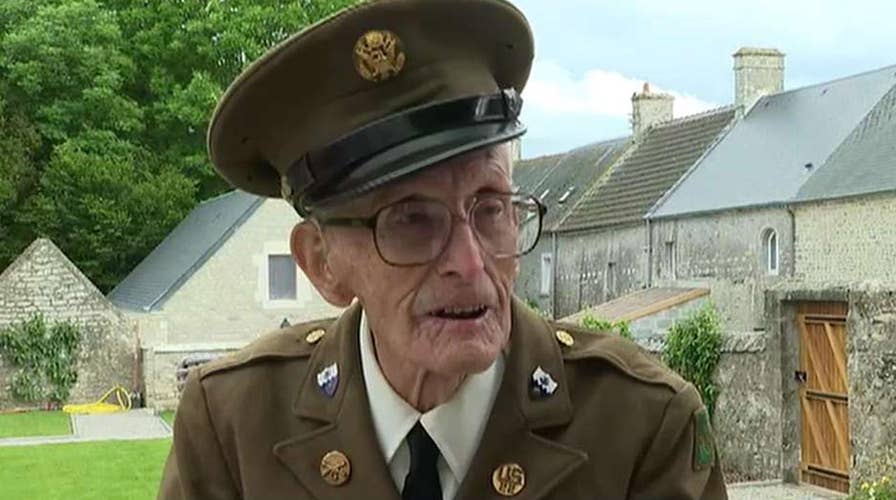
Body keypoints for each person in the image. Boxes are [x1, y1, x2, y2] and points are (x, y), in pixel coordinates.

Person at [157, 0, 728, 499]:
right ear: (323, 263)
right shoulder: (234, 425)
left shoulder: (641, 425)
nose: (470, 263)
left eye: (491, 208)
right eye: (411, 221)